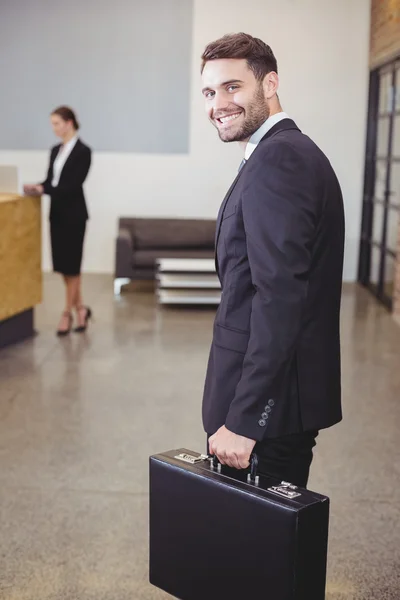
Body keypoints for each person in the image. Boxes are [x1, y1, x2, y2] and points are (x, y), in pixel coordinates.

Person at [201, 33, 345, 487]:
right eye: (209, 91)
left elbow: (280, 297)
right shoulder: (276, 153)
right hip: (274, 401)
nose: (218, 104)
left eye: (232, 87)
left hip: (269, 412)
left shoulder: (281, 159)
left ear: (269, 83)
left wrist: (246, 419)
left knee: (258, 554)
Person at [24, 106, 92, 336]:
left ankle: (67, 313)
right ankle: (81, 308)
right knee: (64, 267)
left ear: (69, 123)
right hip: (57, 214)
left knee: (72, 266)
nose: (53, 128)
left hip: (75, 215)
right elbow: (51, 180)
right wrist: (38, 186)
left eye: (56, 123)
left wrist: (45, 188)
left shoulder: (84, 151)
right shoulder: (55, 150)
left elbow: (72, 185)